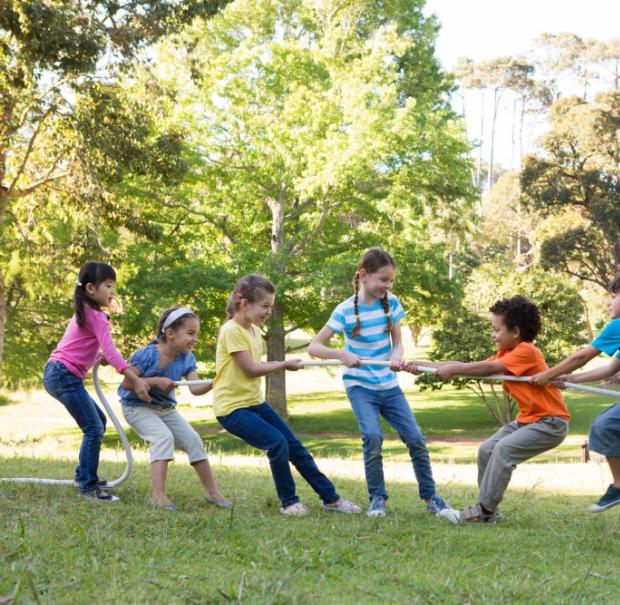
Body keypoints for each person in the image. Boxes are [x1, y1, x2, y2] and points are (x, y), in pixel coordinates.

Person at [308, 248, 449, 517]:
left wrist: (397, 357)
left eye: (391, 281)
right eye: (383, 279)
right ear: (363, 275)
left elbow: (398, 345)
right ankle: (377, 498)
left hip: (388, 386)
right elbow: (315, 346)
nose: (388, 285)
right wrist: (341, 353)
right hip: (360, 386)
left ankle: (431, 497)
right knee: (372, 436)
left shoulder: (392, 303)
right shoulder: (344, 311)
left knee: (416, 438)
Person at [410, 295, 570, 524]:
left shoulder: (527, 351)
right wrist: (418, 364)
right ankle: (488, 513)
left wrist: (454, 368)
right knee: (487, 449)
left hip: (550, 423)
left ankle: (483, 510)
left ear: (515, 332)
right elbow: (467, 368)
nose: (492, 334)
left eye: (496, 329)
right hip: (527, 420)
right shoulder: (506, 354)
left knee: (503, 450)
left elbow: (488, 368)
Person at [213, 273, 361, 516]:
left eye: (271, 306)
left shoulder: (252, 330)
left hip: (253, 403)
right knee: (276, 443)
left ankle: (330, 498)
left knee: (295, 447)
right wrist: (283, 364)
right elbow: (250, 369)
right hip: (232, 409)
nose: (269, 311)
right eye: (265, 306)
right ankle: (289, 502)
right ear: (244, 304)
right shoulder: (231, 331)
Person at [43, 261, 151, 502]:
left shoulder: (85, 311)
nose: (113, 291)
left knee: (98, 421)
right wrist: (131, 374)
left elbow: (85, 346)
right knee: (93, 427)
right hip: (63, 375)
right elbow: (111, 352)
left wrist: (98, 357)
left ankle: (84, 474)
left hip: (58, 373)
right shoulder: (96, 316)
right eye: (109, 285)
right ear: (91, 288)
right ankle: (88, 485)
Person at [119, 306, 230, 511]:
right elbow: (127, 384)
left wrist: (216, 381)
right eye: (190, 333)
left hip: (165, 409)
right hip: (137, 407)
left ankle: (213, 492)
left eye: (196, 334)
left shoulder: (187, 358)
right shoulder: (148, 354)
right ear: (170, 333)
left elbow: (195, 388)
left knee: (193, 440)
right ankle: (157, 495)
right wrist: (155, 381)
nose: (195, 338)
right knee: (163, 437)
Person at [532, 275, 620, 512]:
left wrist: (549, 375)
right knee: (607, 425)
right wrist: (571, 379)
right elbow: (611, 368)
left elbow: (581, 356)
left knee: (605, 426)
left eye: (614, 297)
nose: (609, 303)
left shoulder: (618, 325)